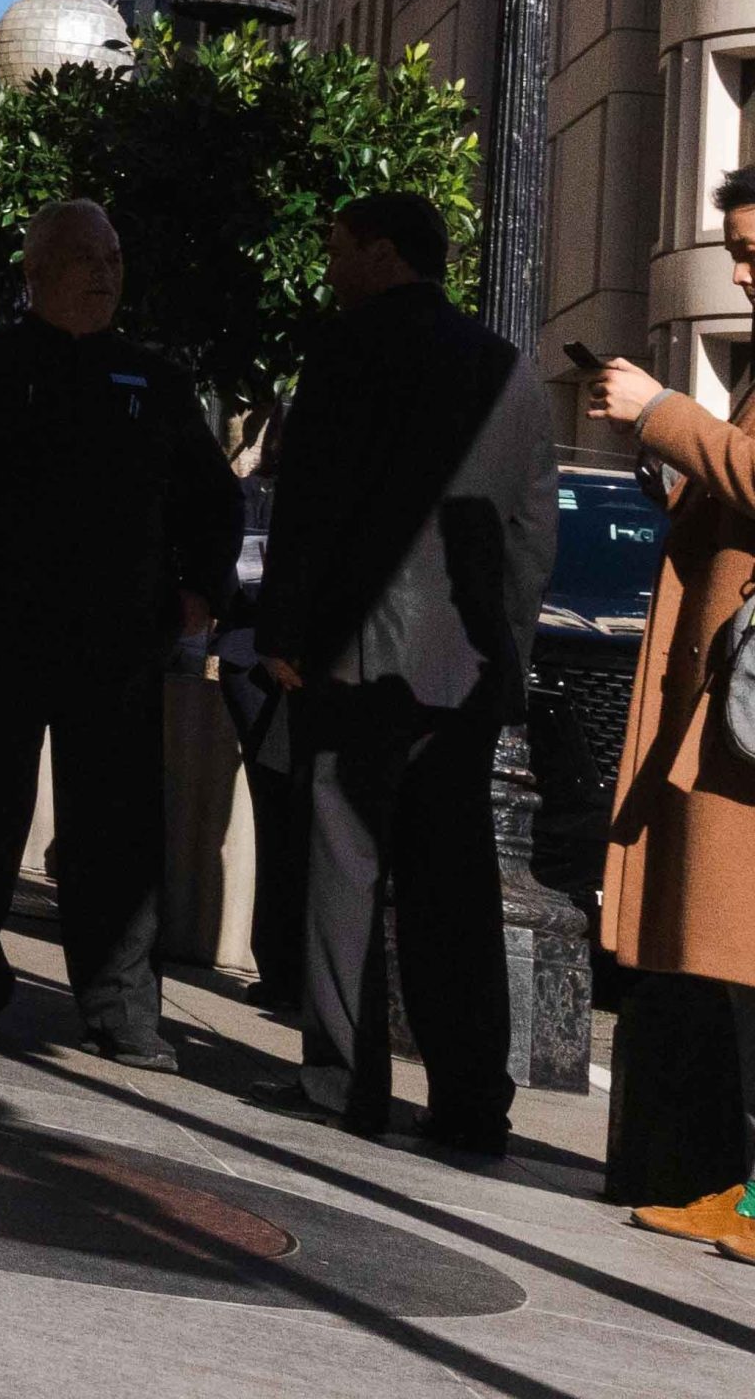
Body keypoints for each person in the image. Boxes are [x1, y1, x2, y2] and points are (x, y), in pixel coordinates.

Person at [0, 198, 240, 1066]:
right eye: (85, 257)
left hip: (118, 639)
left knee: (116, 829)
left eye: (114, 257)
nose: (105, 273)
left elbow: (211, 493)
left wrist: (201, 584)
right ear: (35, 273)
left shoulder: (154, 381)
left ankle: (122, 1009)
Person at [252, 188, 553, 1158]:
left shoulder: (344, 354)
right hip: (459, 664)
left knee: (344, 864)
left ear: (385, 254)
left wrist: (287, 636)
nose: (331, 268)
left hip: (356, 653)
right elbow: (530, 532)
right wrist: (504, 650)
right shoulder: (508, 370)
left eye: (339, 249)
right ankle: (470, 1100)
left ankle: (344, 1083)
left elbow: (308, 508)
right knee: (454, 884)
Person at [583, 163, 755, 1250]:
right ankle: (731, 1184)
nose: (742, 268)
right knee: (729, 962)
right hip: (730, 699)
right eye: (735, 247)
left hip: (745, 709)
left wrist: (664, 415)